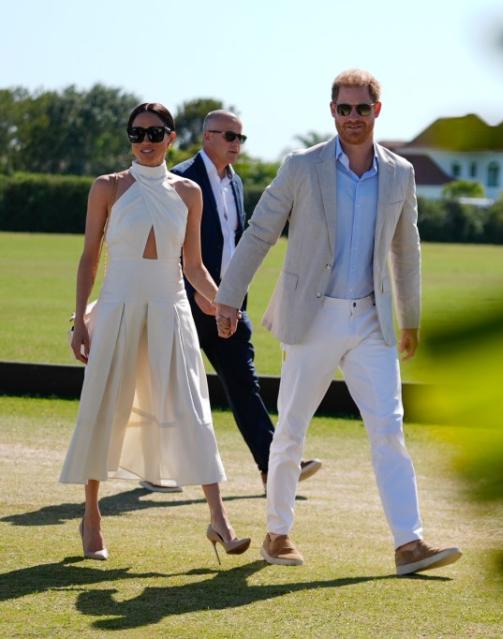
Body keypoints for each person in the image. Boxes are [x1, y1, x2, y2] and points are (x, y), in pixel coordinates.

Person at [215, 69, 461, 574]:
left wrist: (410, 319)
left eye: (362, 108)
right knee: (291, 431)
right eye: (344, 109)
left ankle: (408, 544)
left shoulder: (400, 173)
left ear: (377, 110)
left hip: (372, 320)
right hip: (313, 316)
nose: (353, 117)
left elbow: (406, 250)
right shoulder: (301, 167)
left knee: (389, 430)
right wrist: (228, 298)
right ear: (332, 112)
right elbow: (261, 231)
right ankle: (277, 534)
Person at [61, 102, 250, 563]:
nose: (145, 141)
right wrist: (79, 320)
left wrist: (223, 305)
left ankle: (219, 520)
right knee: (104, 406)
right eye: (137, 133)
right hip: (118, 307)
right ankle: (91, 516)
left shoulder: (188, 193)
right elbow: (89, 257)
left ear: (171, 137)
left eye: (155, 133)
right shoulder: (107, 187)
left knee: (193, 407)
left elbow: (194, 266)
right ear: (130, 137)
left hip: (172, 310)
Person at [131, 110, 319, 494]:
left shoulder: (235, 183)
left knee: (244, 382)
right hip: (182, 301)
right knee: (170, 385)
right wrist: (200, 292)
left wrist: (227, 300)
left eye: (241, 138)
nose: (236, 143)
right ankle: (153, 466)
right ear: (207, 138)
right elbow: (167, 244)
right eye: (229, 136)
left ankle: (273, 468)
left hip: (227, 306)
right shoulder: (180, 178)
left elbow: (237, 244)